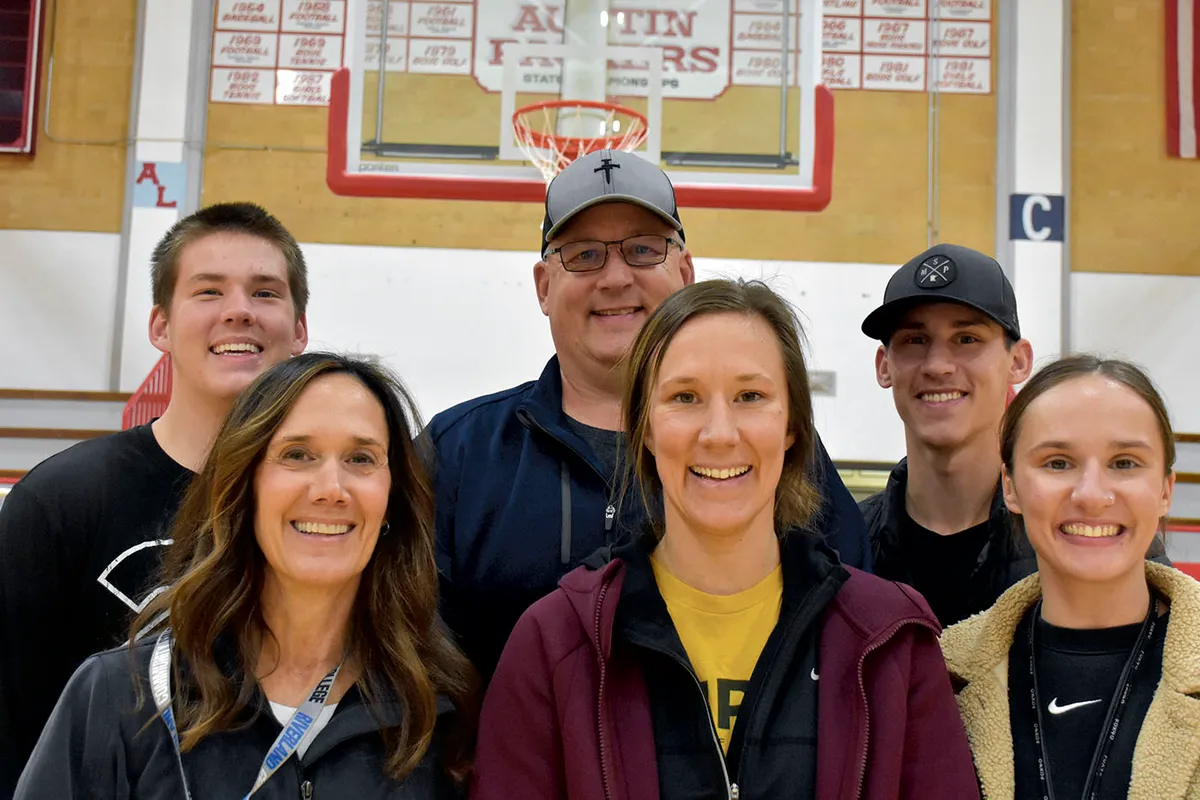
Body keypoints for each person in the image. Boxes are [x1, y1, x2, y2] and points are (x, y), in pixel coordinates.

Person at [471, 279, 979, 800]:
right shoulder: (554, 644)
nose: (719, 433)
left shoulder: (890, 642)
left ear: (792, 427)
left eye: (750, 396)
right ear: (645, 428)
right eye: (685, 397)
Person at [428, 150, 871, 682]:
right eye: (585, 255)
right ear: (544, 286)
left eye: (642, 250)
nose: (615, 278)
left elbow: (850, 632)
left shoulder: (769, 451)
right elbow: (404, 648)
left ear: (684, 273)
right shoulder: (458, 451)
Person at [16, 353, 477, 799]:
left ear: (392, 498)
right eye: (297, 454)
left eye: (361, 458)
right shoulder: (119, 696)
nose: (331, 490)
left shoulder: (439, 712)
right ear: (244, 486)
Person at [0, 202, 310, 796]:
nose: (240, 311)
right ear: (160, 326)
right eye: (208, 291)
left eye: (266, 293)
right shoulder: (59, 503)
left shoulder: (330, 510)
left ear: (299, 330)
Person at [860, 243, 1168, 628]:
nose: (938, 365)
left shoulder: (1079, 538)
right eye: (915, 340)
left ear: (1019, 361)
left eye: (967, 339)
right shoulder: (844, 544)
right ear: (883, 366)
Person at [942, 355, 1200, 799]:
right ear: (1011, 487)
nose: (1092, 496)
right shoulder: (942, 675)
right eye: (1058, 463)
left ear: (1164, 490)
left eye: (1125, 463)